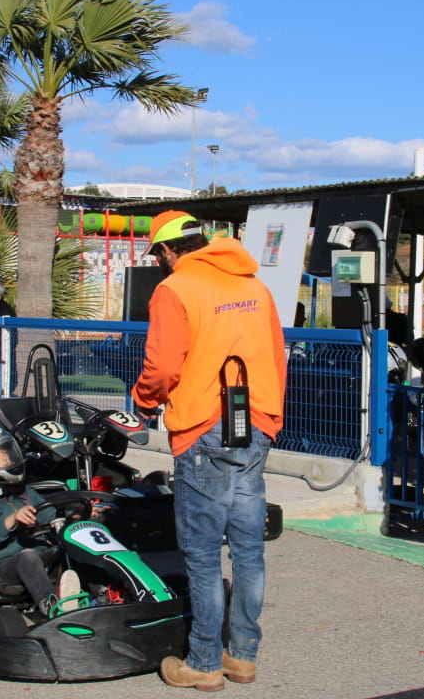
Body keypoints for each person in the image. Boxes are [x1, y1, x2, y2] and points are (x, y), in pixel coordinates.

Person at [131, 210, 286, 691]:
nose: (158, 260)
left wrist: (141, 403)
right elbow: (277, 354)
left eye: (157, 252)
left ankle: (202, 661)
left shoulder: (174, 289)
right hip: (255, 422)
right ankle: (242, 656)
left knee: (201, 555)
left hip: (203, 426)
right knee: (248, 550)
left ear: (168, 249)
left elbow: (161, 367)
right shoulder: (254, 287)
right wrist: (270, 419)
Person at [0, 423, 82, 618]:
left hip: (40, 557)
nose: (7, 459)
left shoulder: (22, 493)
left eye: (8, 453)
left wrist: (74, 515)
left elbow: (50, 515)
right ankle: (52, 606)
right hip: (0, 568)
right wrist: (11, 519)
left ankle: (105, 594)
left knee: (72, 545)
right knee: (26, 556)